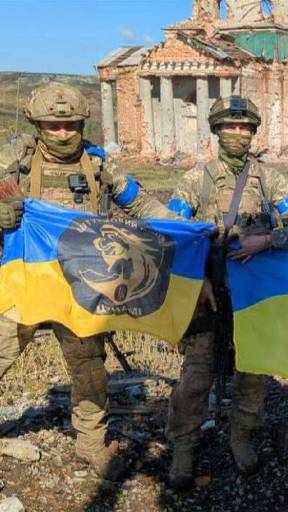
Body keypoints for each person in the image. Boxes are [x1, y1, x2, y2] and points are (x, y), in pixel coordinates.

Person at [0, 81, 173, 480]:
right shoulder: (17, 160)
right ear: (37, 124)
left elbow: (141, 203)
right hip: (27, 282)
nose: (63, 133)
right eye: (53, 126)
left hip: (82, 286)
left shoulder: (98, 164)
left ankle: (91, 444)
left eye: (71, 125)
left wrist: (184, 227)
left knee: (90, 370)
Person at [164, 95, 288, 489]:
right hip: (206, 293)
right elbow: (172, 237)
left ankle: (241, 437)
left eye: (245, 127)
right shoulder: (196, 179)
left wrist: (267, 241)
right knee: (196, 379)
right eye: (230, 126)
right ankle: (183, 449)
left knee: (252, 373)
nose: (238, 134)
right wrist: (198, 282)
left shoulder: (269, 179)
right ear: (216, 130)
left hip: (254, 296)